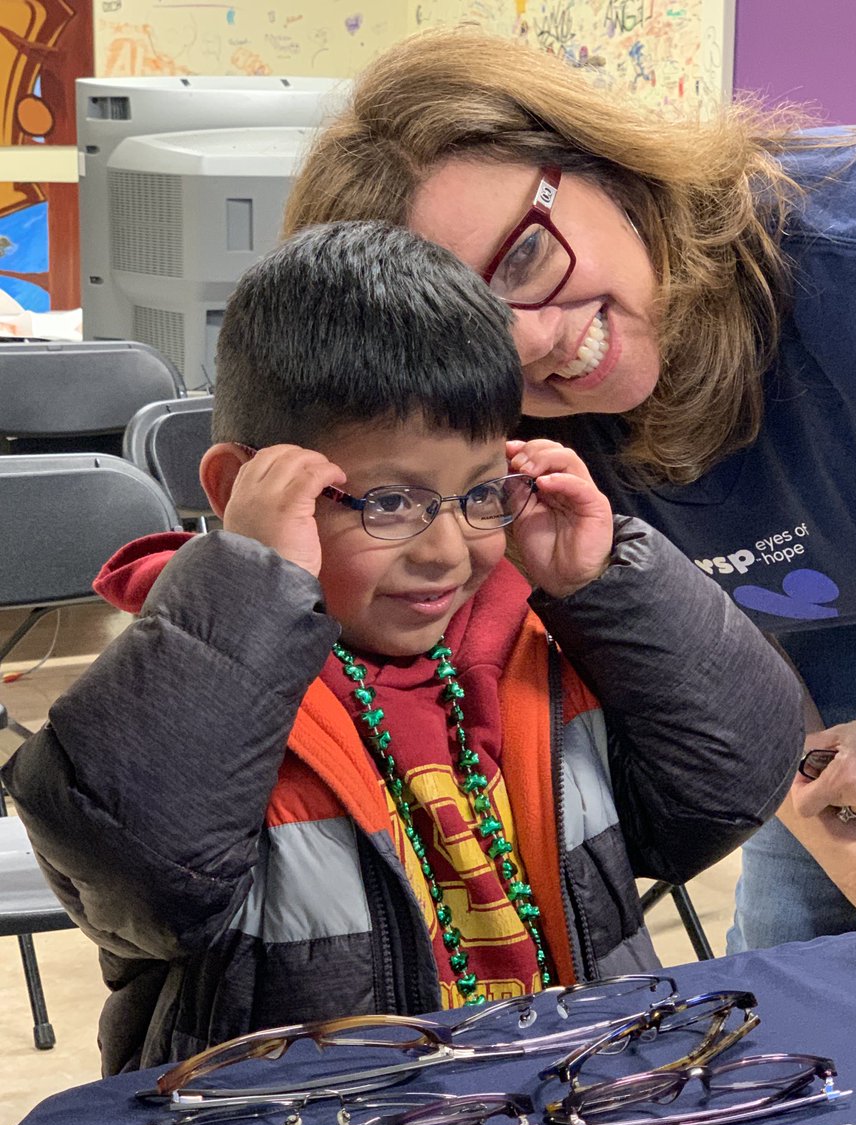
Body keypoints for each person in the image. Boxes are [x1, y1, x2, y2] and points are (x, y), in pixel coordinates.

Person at [3, 221, 800, 1074]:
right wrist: (249, 587)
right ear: (243, 489)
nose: (447, 551)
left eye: (483, 493)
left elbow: (728, 789)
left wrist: (608, 586)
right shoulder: (194, 688)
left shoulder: (544, 646)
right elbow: (138, 883)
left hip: (564, 1103)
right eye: (388, 502)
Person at [279, 27, 856, 950]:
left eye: (525, 258)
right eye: (476, 328)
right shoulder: (520, 446)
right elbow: (745, 699)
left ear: (607, 167)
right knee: (806, 973)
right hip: (824, 659)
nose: (534, 342)